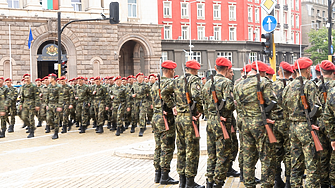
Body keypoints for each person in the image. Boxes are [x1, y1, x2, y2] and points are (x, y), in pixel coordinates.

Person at [161, 60, 204, 188]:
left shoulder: (177, 80)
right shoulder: (194, 80)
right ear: (195, 70)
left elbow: (164, 93)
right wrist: (200, 111)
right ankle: (190, 182)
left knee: (181, 149)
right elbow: (197, 96)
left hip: (179, 118)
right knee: (192, 149)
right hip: (190, 119)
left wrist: (173, 105)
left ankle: (182, 181)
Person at [234, 61, 277, 187]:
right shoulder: (264, 82)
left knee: (248, 156)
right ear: (263, 72)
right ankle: (266, 184)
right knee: (266, 156)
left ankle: (249, 184)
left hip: (245, 123)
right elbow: (272, 101)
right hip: (260, 124)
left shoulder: (239, 84)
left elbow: (237, 105)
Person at [282, 57, 322, 187]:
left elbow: (284, 110)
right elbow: (317, 107)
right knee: (311, 165)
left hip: (293, 127)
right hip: (306, 127)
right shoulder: (309, 85)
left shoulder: (288, 86)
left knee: (296, 164)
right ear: (307, 69)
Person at [202, 57, 235, 188]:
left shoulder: (207, 83)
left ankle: (209, 182)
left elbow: (203, 103)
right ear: (227, 69)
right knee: (223, 154)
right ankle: (218, 183)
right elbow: (229, 105)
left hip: (210, 121)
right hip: (222, 123)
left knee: (212, 154)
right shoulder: (226, 83)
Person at [151, 60, 178, 185]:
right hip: (165, 118)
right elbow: (169, 99)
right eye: (173, 70)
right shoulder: (169, 83)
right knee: (167, 147)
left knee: (158, 146)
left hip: (156, 117)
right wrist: (173, 105)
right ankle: (165, 175)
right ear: (171, 71)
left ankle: (157, 174)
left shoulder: (155, 84)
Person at [272, 61, 293, 187]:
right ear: (290, 72)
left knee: (276, 151)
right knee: (289, 152)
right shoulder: (292, 85)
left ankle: (277, 179)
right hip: (288, 123)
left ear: (279, 71)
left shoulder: (272, 86)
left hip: (275, 123)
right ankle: (289, 180)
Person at [316, 60, 335, 187]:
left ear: (321, 72)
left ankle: (324, 183)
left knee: (322, 157)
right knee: (333, 158)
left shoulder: (313, 86)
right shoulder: (333, 87)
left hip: (319, 125)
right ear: (333, 72)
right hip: (332, 126)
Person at [19, 74, 40, 138]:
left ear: (30, 78)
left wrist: (37, 105)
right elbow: (22, 96)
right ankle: (31, 126)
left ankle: (31, 132)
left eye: (28, 78)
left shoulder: (33, 86)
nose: (27, 79)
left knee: (31, 118)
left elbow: (36, 96)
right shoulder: (23, 86)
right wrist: (20, 104)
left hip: (31, 103)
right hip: (25, 103)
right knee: (24, 117)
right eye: (25, 78)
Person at [132, 72, 151, 137]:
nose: (139, 78)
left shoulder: (146, 85)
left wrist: (150, 103)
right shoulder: (134, 85)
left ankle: (141, 129)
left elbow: (150, 94)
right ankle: (143, 124)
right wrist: (132, 95)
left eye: (141, 77)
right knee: (136, 115)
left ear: (143, 78)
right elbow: (131, 92)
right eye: (138, 77)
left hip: (143, 101)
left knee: (142, 115)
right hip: (136, 101)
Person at [46, 73, 63, 139]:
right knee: (48, 118)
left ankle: (56, 133)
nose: (48, 79)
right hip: (50, 104)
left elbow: (61, 97)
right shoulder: (49, 86)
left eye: (49, 78)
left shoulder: (59, 87)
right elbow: (47, 96)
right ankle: (53, 127)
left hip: (56, 104)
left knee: (56, 119)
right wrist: (47, 104)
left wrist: (59, 106)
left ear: (53, 79)